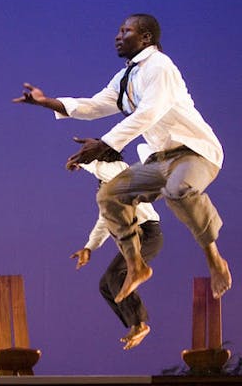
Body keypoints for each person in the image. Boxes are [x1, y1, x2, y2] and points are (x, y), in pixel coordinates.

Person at [13, 13, 230, 303]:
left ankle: (214, 257)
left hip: (194, 153)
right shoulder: (128, 76)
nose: (118, 36)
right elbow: (96, 105)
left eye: (126, 31)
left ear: (146, 38)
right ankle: (136, 266)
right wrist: (47, 102)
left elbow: (148, 113)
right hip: (159, 159)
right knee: (109, 196)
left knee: (178, 190)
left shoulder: (160, 67)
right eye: (118, 30)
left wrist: (104, 144)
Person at [69, 145, 162, 350]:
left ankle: (140, 324)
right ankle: (135, 324)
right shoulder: (108, 187)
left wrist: (82, 162)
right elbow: (104, 220)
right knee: (105, 284)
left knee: (116, 276)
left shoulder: (121, 170)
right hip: (134, 236)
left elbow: (102, 168)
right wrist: (89, 247)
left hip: (147, 234)